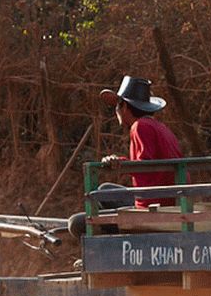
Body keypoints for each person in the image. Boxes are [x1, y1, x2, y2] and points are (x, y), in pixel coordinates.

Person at [68, 76, 182, 238]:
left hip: (152, 206)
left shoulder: (140, 126)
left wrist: (121, 164)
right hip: (166, 198)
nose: (116, 111)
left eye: (117, 105)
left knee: (76, 223)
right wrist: (120, 162)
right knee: (105, 190)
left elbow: (145, 167)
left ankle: (114, 244)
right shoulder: (159, 127)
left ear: (125, 107)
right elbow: (149, 164)